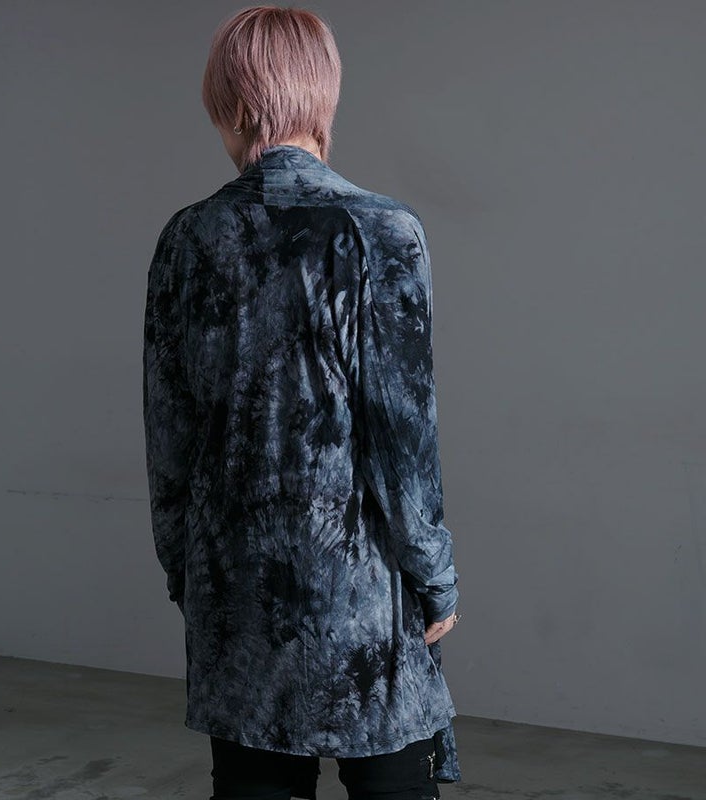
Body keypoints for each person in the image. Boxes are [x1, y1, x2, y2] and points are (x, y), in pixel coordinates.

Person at [142, 5, 463, 799]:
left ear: (228, 102)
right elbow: (402, 438)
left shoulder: (187, 239)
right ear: (324, 95)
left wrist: (190, 574)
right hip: (364, 605)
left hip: (236, 594)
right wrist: (436, 578)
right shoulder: (382, 232)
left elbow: (169, 436)